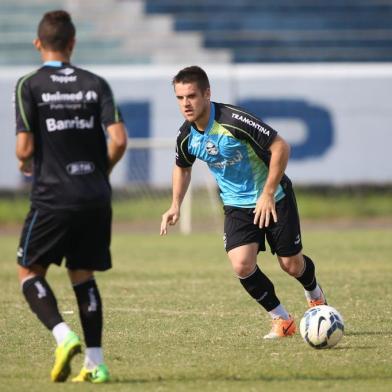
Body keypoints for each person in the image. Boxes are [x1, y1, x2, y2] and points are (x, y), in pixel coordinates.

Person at [160, 65, 327, 339]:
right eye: (179, 98)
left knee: (291, 265)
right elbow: (182, 166)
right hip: (237, 206)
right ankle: (282, 320)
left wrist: (268, 192)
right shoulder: (186, 136)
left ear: (207, 93)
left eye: (191, 96)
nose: (186, 104)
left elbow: (280, 146)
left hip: (274, 198)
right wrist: (175, 204)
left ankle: (315, 295)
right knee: (241, 265)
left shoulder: (234, 120)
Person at [14, 10, 127, 383]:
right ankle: (96, 364)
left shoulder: (29, 85)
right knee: (83, 276)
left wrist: (24, 160)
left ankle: (64, 336)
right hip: (95, 196)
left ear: (38, 44)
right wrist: (99, 173)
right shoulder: (96, 83)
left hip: (52, 198)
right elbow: (120, 140)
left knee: (29, 271)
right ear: (72, 43)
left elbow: (24, 147)